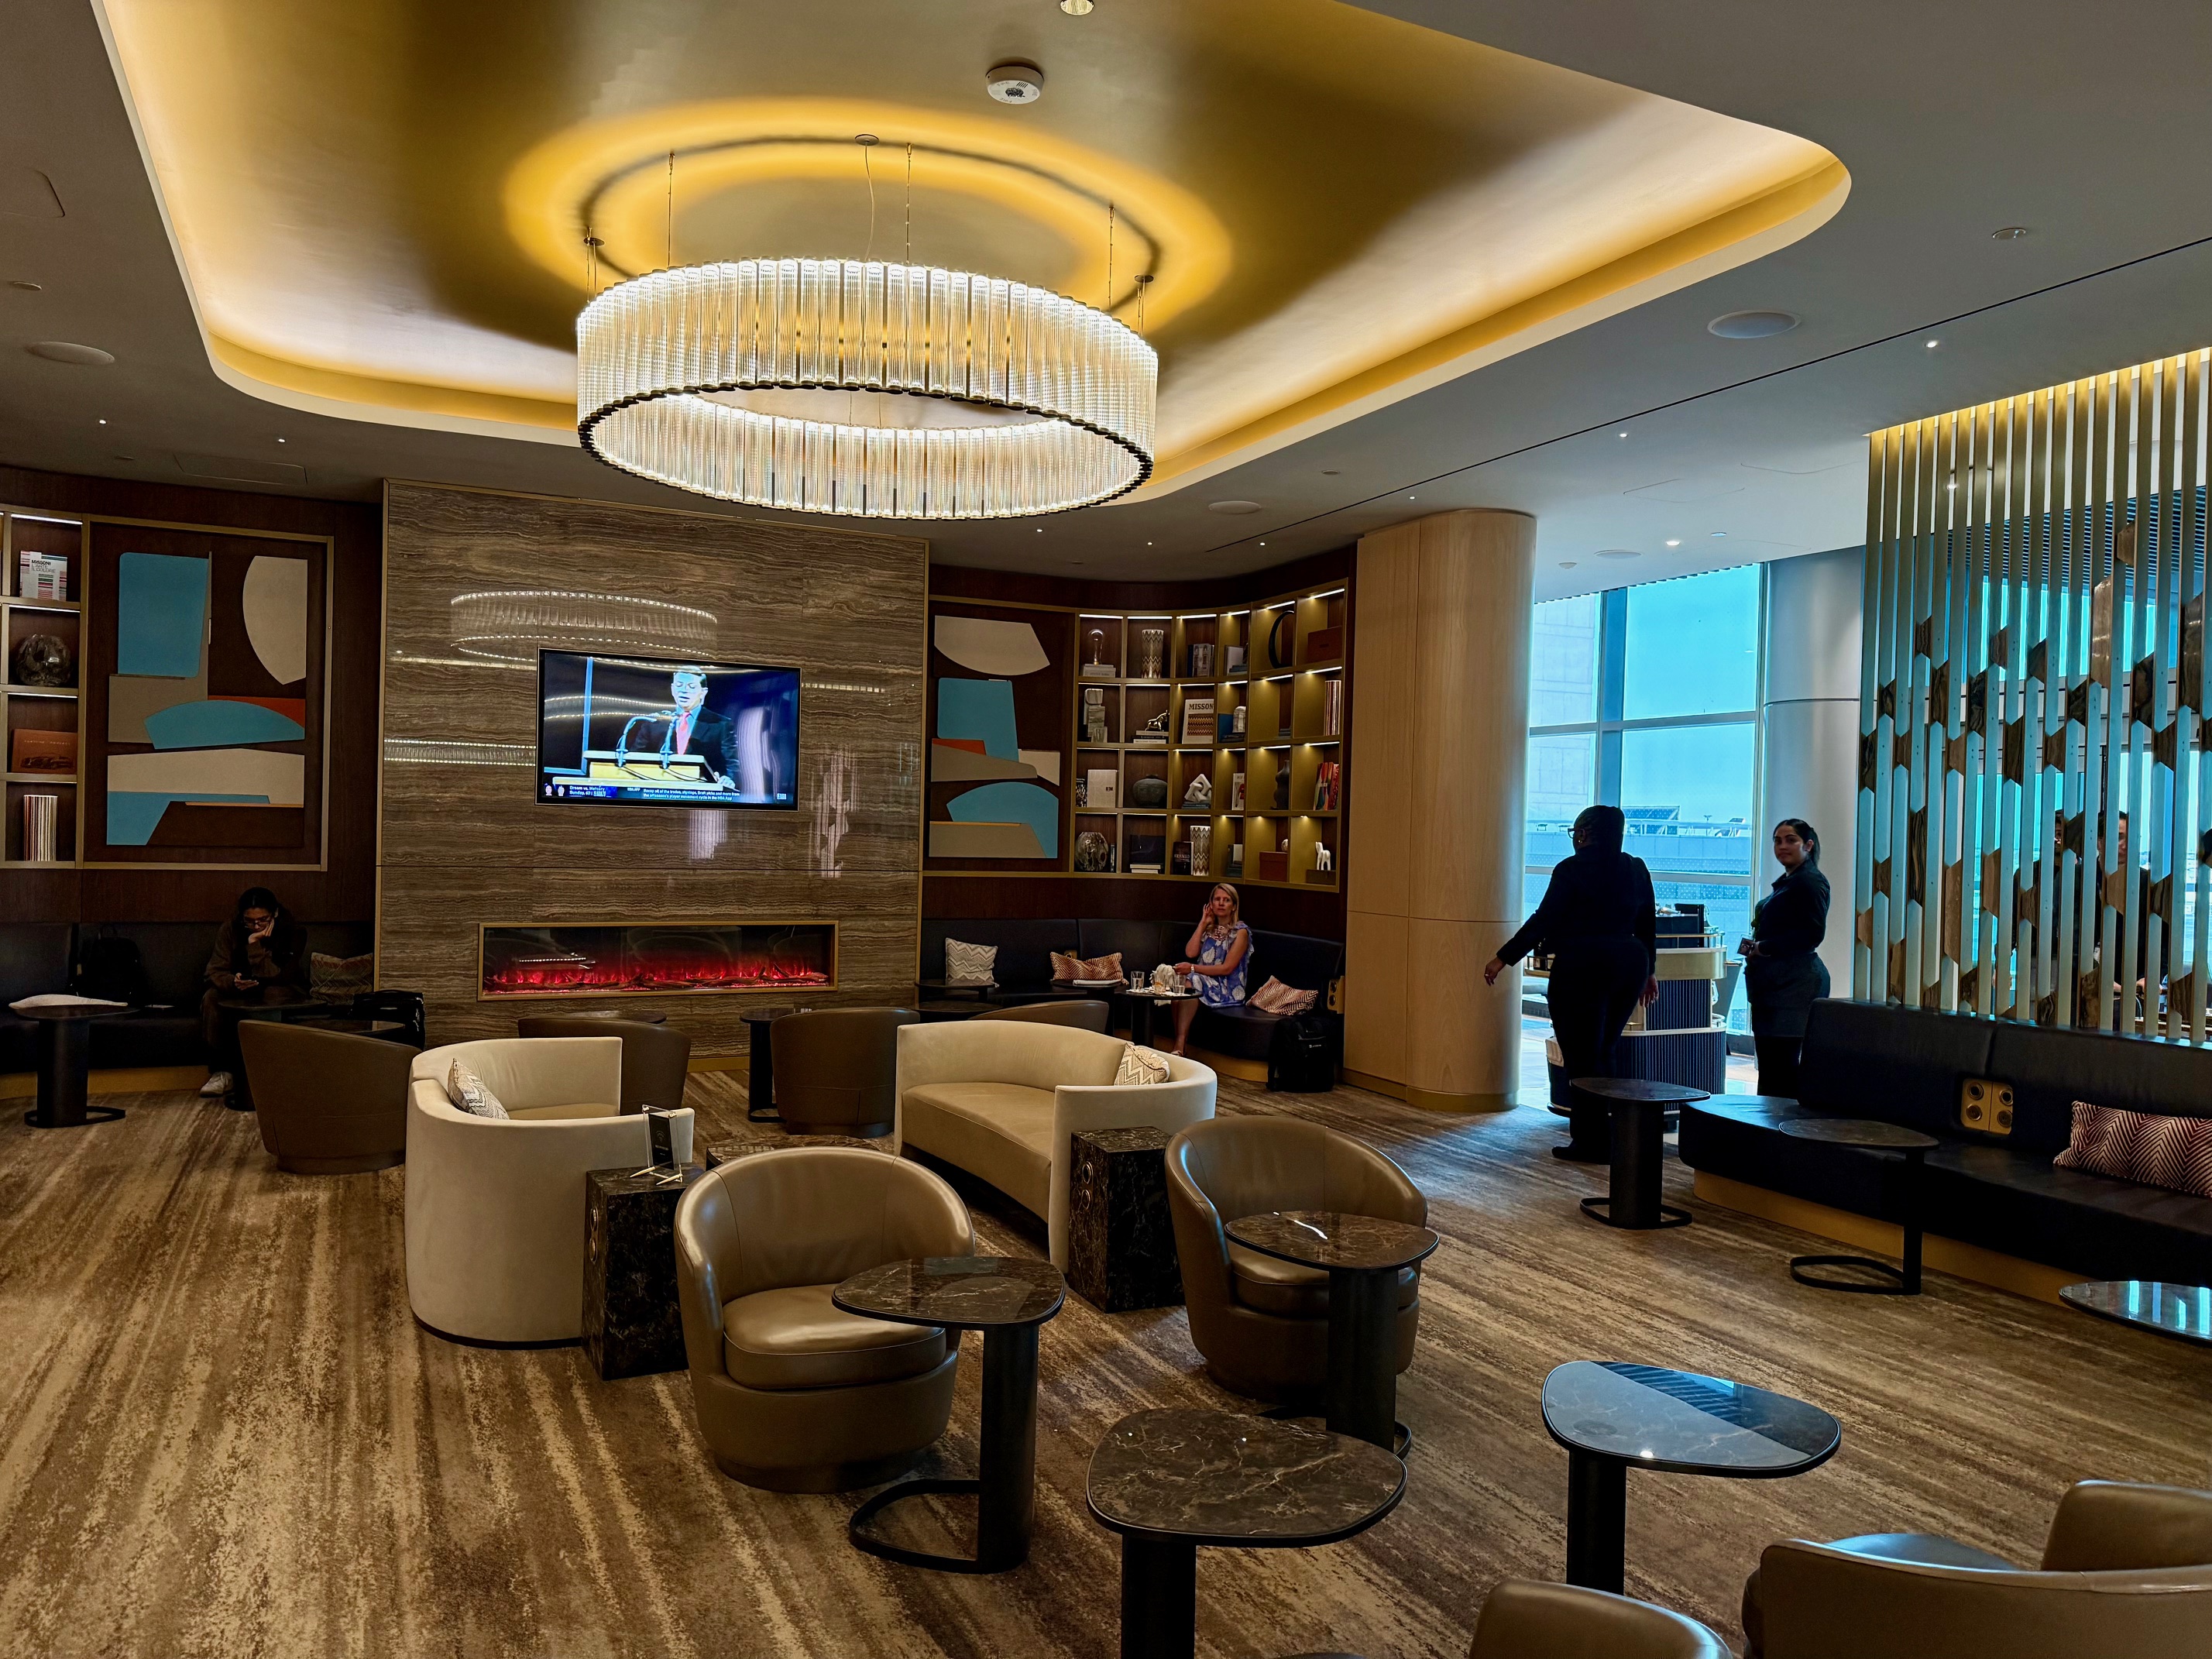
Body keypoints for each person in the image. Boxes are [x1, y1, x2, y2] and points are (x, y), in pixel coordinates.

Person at [1483, 805, 1657, 1161]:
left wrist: (1504, 957)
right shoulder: (1636, 868)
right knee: (1605, 1050)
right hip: (1629, 962)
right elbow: (1647, 922)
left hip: (1583, 964)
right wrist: (1650, 971)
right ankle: (1610, 1138)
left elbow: (1545, 918)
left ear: (1584, 833)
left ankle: (1589, 1141)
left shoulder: (1571, 870)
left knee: (1579, 1054)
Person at [1740, 819, 1831, 1099]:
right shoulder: (1791, 881)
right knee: (1771, 1068)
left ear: (1808, 845)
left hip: (1794, 988)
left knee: (1781, 1070)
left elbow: (1812, 934)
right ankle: (1768, 1133)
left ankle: (1781, 1135)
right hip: (1776, 987)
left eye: (1791, 840)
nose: (1782, 846)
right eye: (1777, 840)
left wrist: (1764, 947)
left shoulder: (1810, 882)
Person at [199, 887, 311, 1101]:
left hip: (283, 988)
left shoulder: (294, 932)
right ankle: (223, 1072)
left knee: (272, 994)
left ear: (275, 914)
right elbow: (213, 971)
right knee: (211, 998)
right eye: (249, 921)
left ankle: (269, 1073)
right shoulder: (230, 929)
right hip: (241, 988)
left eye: (262, 920)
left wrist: (254, 943)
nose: (256, 926)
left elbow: (276, 975)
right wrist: (233, 982)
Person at [1166, 883, 1251, 1056]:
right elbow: (1190, 952)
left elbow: (1227, 969)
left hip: (1227, 987)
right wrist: (1203, 923)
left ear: (1233, 906)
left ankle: (1180, 1044)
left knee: (1191, 981)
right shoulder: (1210, 928)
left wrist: (1191, 968)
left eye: (1226, 900)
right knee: (1180, 987)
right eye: (1217, 899)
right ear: (1211, 904)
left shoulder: (1240, 932)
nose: (1221, 903)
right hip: (1203, 981)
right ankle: (1180, 1045)